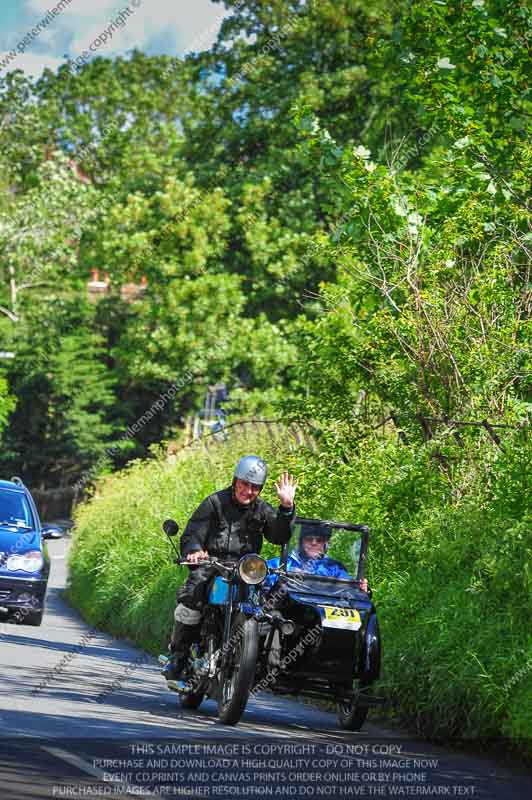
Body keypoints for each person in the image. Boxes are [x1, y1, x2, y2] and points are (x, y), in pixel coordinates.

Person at [164, 455, 298, 680]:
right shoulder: (215, 503)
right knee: (192, 593)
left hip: (245, 570)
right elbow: (193, 532)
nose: (249, 491)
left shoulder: (261, 509)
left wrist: (286, 508)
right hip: (212, 564)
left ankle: (255, 659)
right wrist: (196, 550)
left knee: (267, 607)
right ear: (236, 481)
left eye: (255, 487)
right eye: (245, 484)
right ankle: (178, 655)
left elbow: (279, 535)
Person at [267, 524, 369, 590]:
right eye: (309, 539)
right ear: (301, 542)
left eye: (319, 540)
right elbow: (260, 578)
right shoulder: (282, 563)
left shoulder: (333, 568)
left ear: (325, 544)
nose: (314, 543)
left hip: (321, 616)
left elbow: (349, 588)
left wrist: (360, 587)